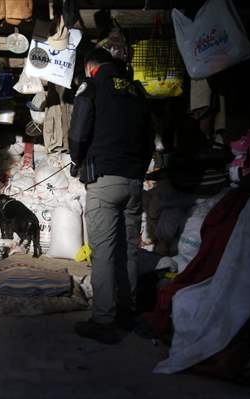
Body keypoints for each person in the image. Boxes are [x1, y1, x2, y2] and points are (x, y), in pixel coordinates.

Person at [69, 48, 152, 344]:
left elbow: (79, 130)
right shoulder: (137, 90)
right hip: (133, 182)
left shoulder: (92, 86)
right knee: (128, 250)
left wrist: (76, 160)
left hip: (104, 180)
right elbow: (149, 140)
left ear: (91, 67)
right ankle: (128, 313)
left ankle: (104, 320)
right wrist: (138, 171)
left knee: (103, 253)